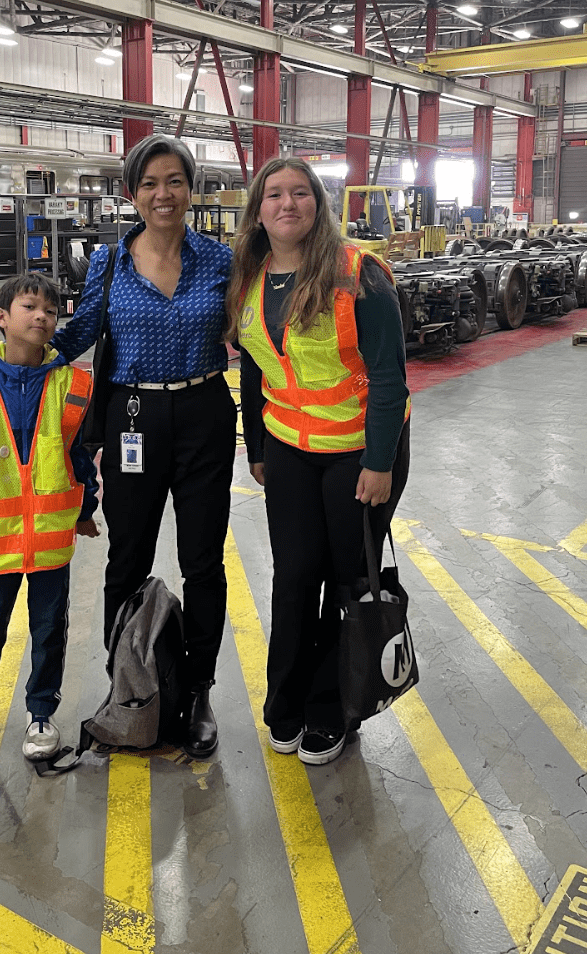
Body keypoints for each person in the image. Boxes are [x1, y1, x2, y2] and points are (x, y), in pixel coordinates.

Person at [0, 135, 236, 758]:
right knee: (126, 560)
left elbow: (256, 328)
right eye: (149, 184)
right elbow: (77, 333)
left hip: (203, 414)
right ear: (131, 194)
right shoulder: (110, 263)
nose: (162, 194)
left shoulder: (220, 260)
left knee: (203, 562)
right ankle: (126, 691)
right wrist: (1, 356)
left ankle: (197, 694)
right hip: (133, 417)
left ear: (191, 189)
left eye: (174, 181)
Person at [225, 158, 410, 767]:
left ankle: (334, 711)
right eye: (274, 194)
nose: (287, 204)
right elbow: (254, 364)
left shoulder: (359, 274)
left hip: (360, 455)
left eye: (300, 193)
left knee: (347, 583)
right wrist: (256, 442)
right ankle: (287, 704)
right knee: (296, 575)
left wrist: (379, 462)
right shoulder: (250, 275)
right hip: (288, 451)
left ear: (318, 203)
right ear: (258, 209)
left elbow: (388, 378)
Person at [0, 273, 100, 762]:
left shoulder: (73, 386)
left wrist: (85, 511)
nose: (41, 317)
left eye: (51, 311)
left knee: (49, 628)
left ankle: (41, 713)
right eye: (30, 307)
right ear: (2, 317)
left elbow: (79, 457)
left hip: (51, 540)